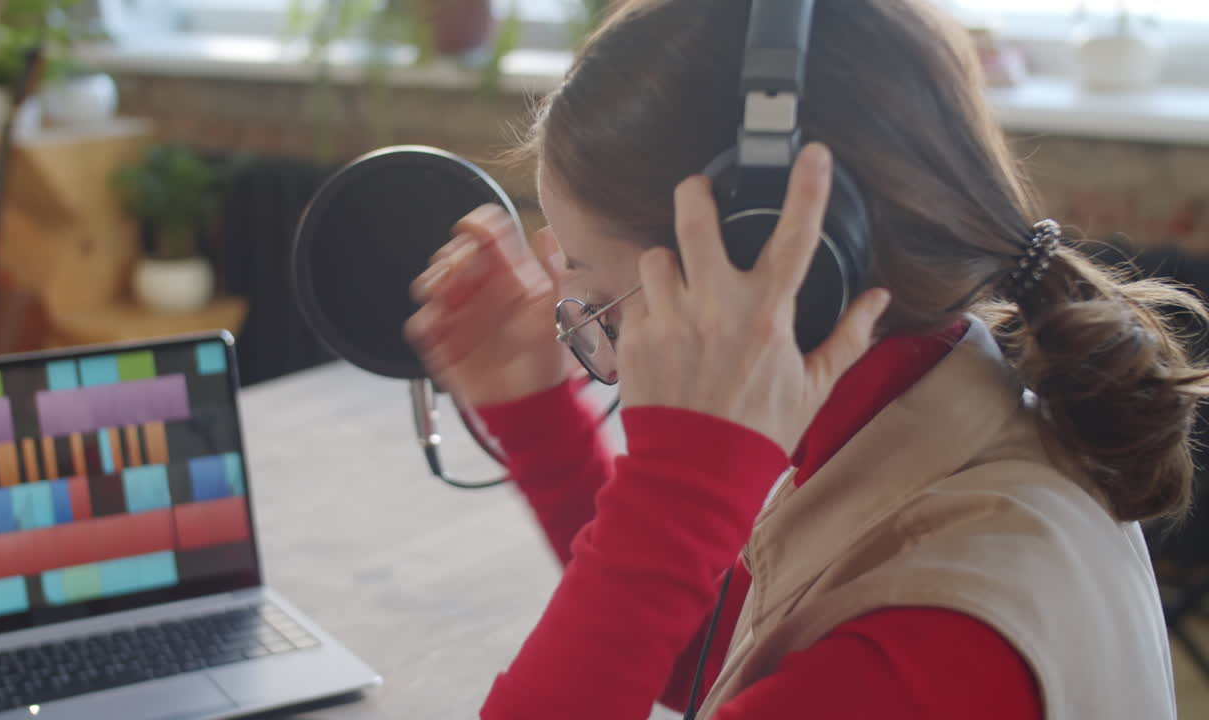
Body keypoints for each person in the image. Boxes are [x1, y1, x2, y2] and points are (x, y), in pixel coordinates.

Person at [403, 0, 1209, 717]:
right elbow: (720, 659)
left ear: (763, 261)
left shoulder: (910, 661)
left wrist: (674, 495)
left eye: (599, 298)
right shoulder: (940, 404)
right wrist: (539, 417)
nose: (591, 335)